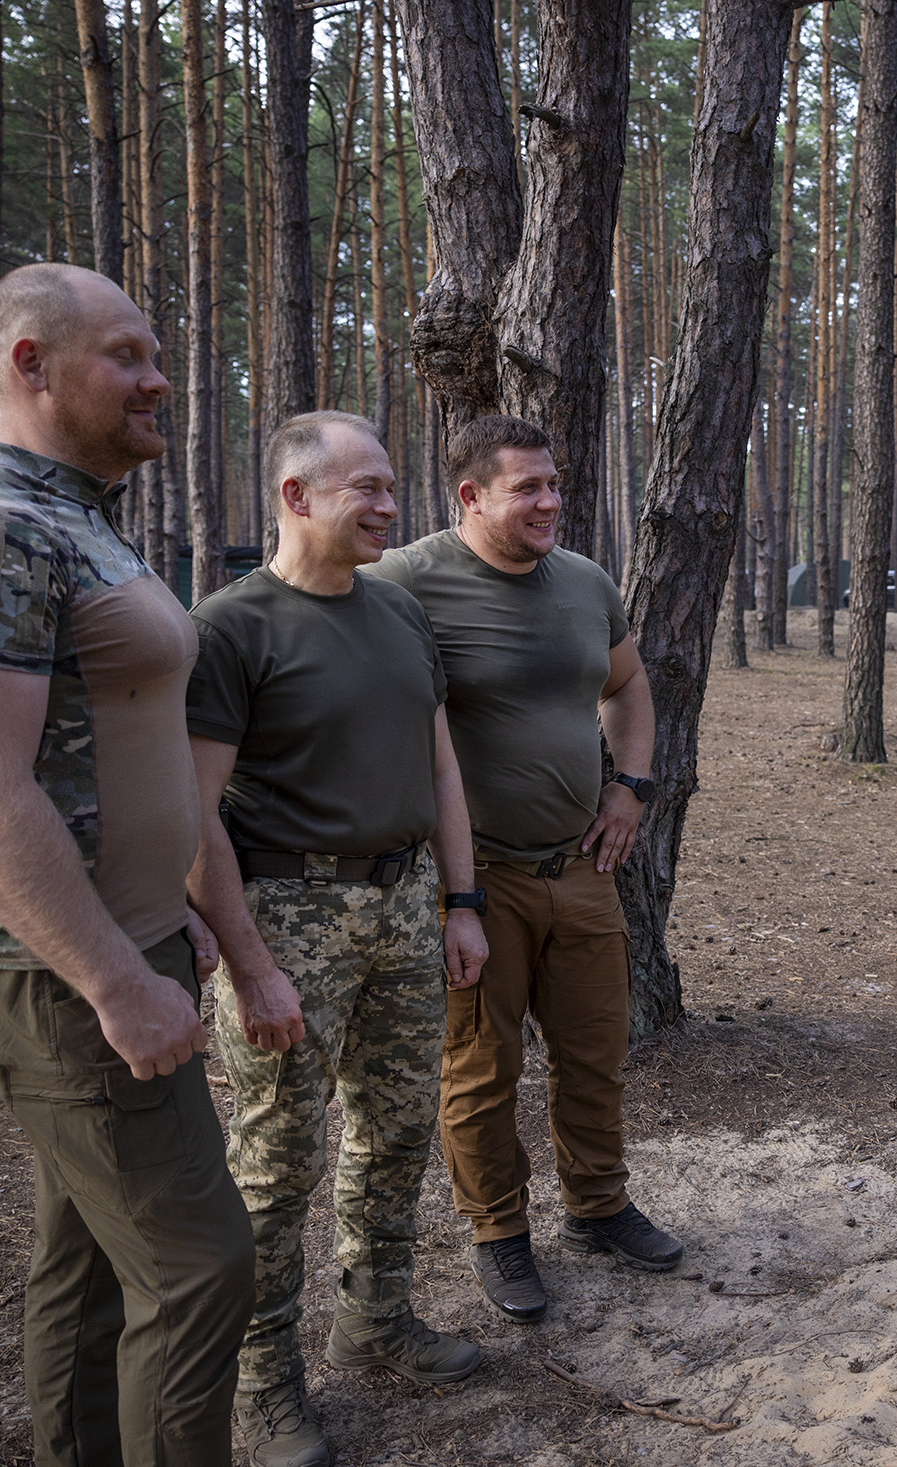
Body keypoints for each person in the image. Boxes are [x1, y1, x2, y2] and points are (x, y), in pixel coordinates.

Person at [0, 262, 254, 1465]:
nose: (158, 378)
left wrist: (178, 917)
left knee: (92, 1259)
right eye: (124, 355)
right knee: (203, 1269)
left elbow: (130, 745)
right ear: (29, 364)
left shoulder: (73, 518)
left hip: (127, 939)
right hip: (61, 972)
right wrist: (114, 978)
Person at [185, 410, 490, 1467]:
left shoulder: (400, 613)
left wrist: (461, 901)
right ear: (294, 496)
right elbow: (194, 811)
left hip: (405, 904)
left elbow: (442, 767)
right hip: (287, 914)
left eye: (391, 485)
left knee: (399, 1128)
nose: (387, 505)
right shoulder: (232, 627)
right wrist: (252, 965)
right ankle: (263, 1386)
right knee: (276, 1165)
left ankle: (379, 1318)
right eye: (364, 487)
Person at [368, 414, 682, 1325]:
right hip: (475, 881)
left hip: (580, 865)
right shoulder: (406, 583)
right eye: (528, 489)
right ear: (470, 495)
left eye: (555, 484)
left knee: (594, 1052)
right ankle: (499, 1233)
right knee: (480, 1065)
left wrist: (628, 786)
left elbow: (625, 685)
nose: (551, 502)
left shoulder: (585, 582)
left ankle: (597, 1206)